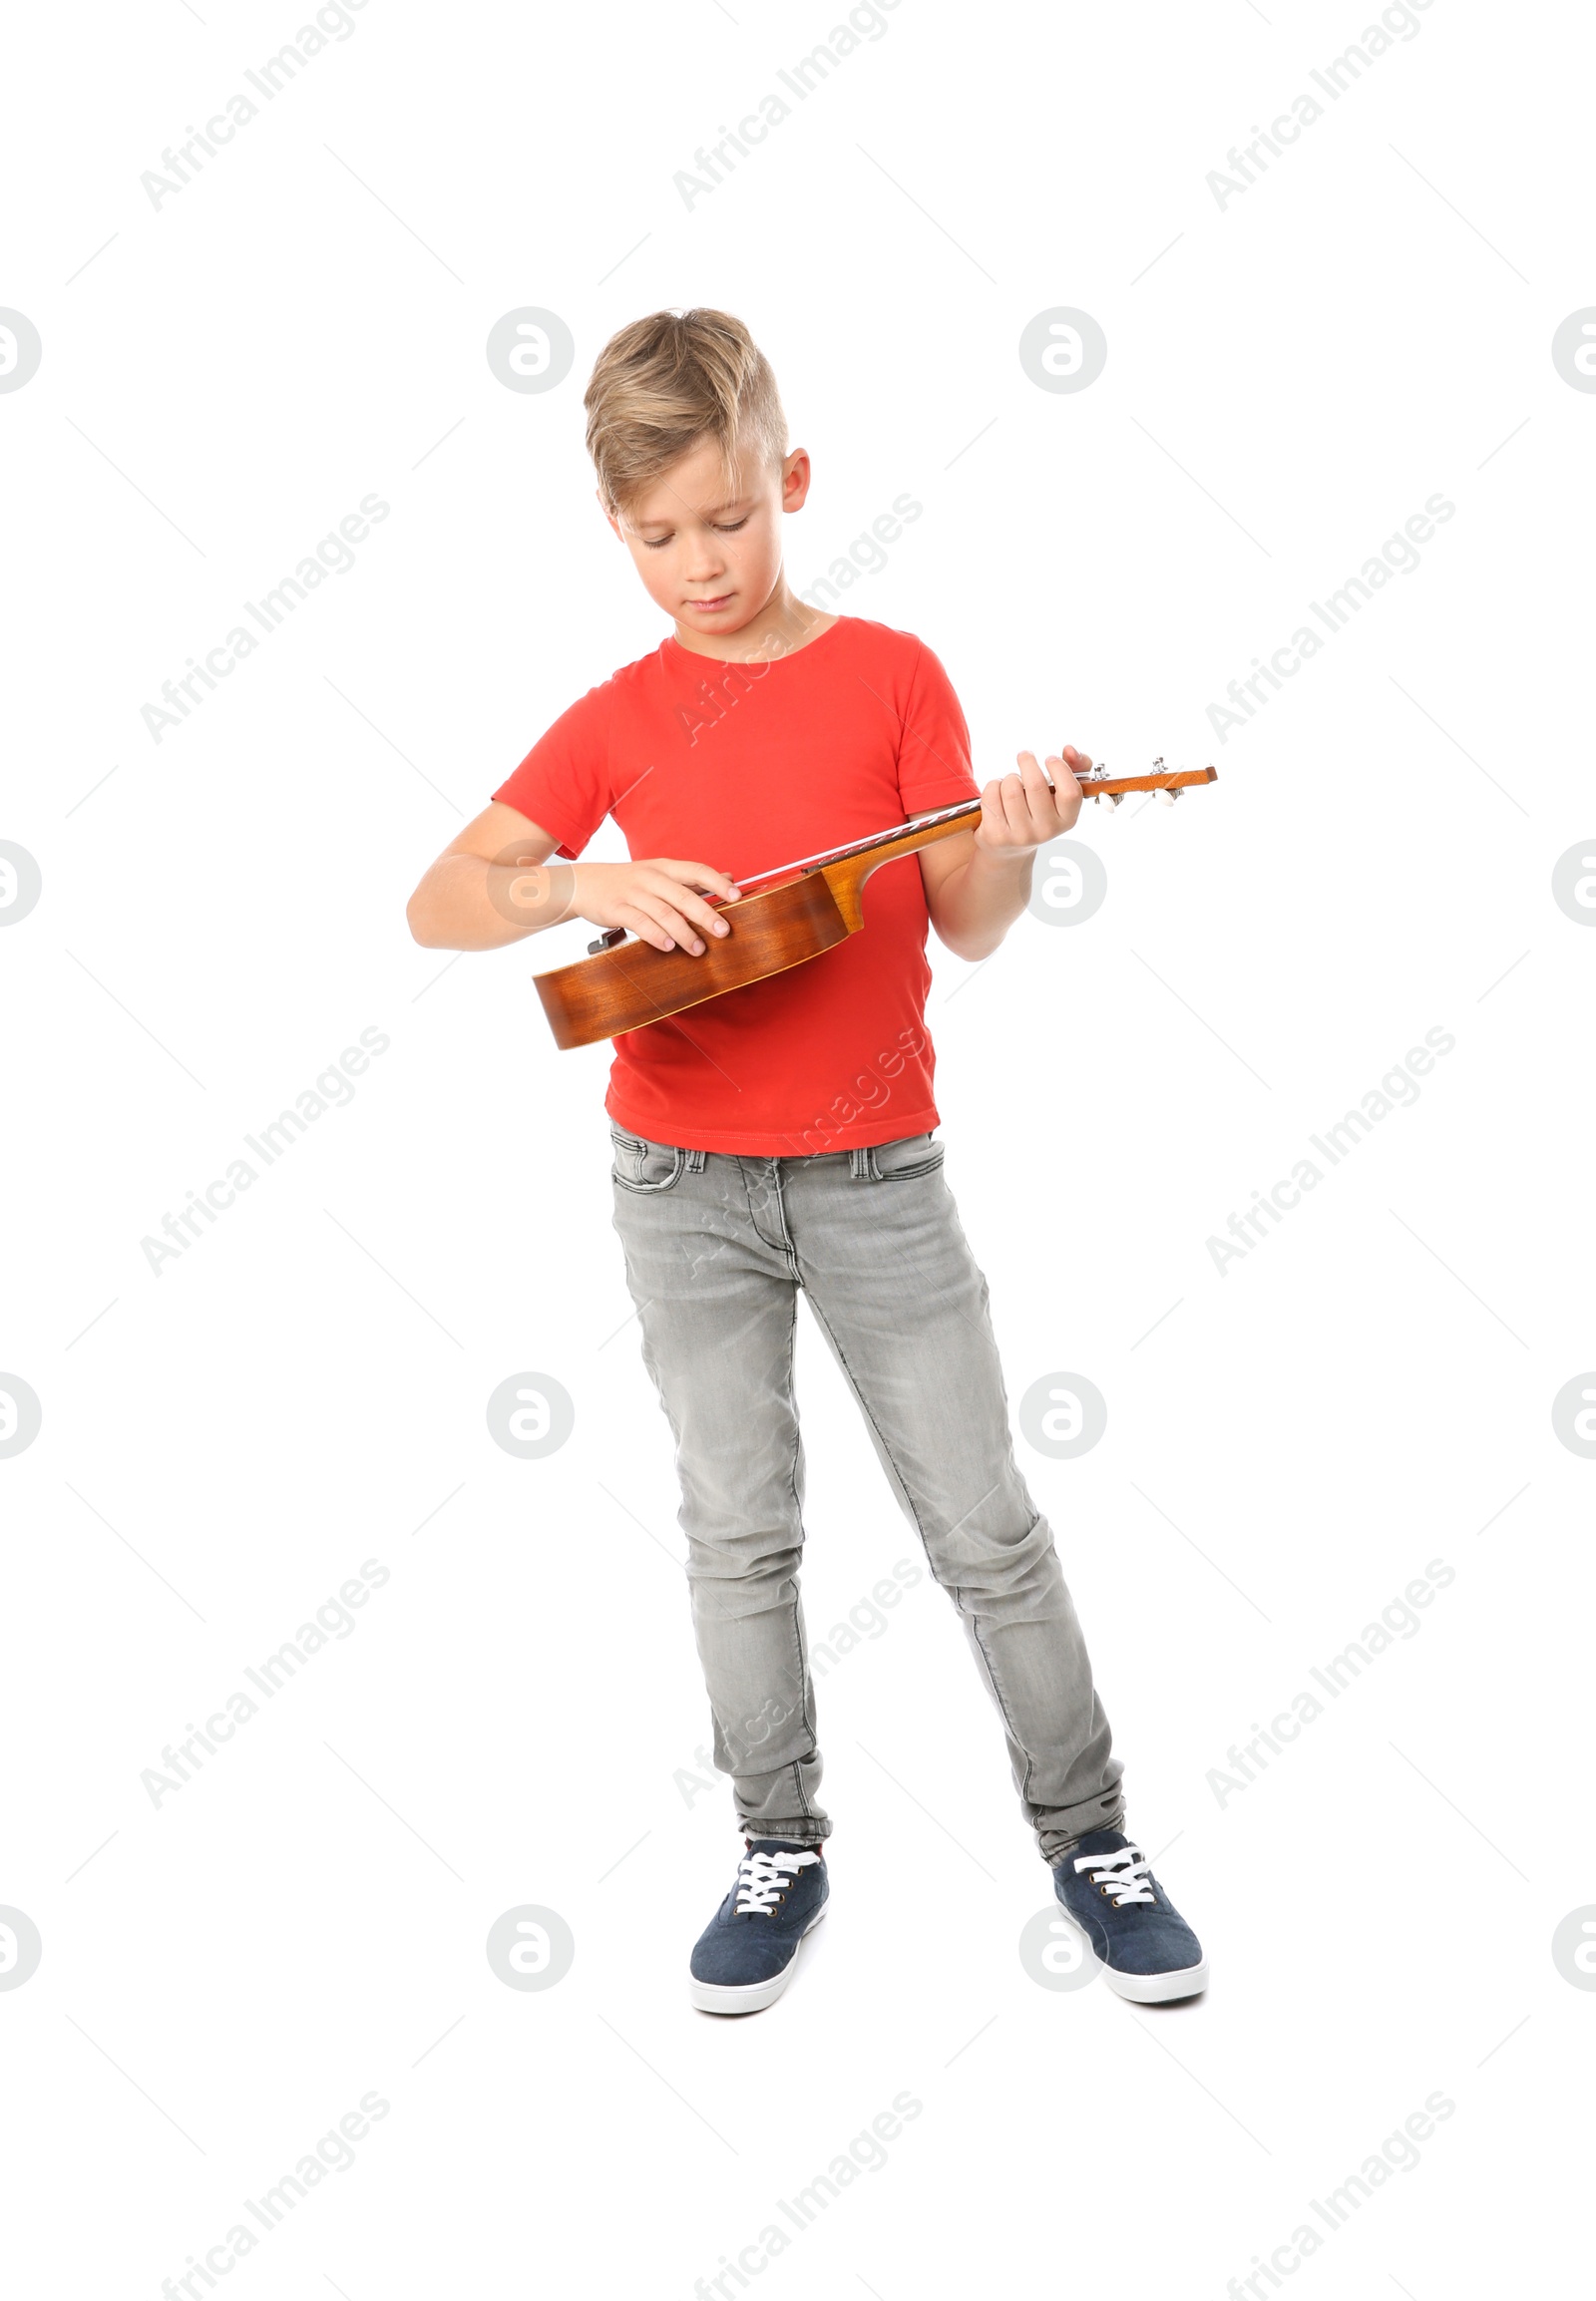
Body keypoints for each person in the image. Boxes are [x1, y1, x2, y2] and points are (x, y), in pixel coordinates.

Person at [406, 307, 1206, 2014]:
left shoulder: (895, 675)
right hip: (679, 1191)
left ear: (795, 479)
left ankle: (1091, 1837)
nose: (702, 564)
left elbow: (968, 928)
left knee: (985, 1523)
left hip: (878, 1181)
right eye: (659, 537)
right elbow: (439, 898)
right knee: (735, 1528)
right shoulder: (618, 717)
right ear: (613, 528)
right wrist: (578, 886)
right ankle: (780, 1840)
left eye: (732, 519)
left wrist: (1021, 845)